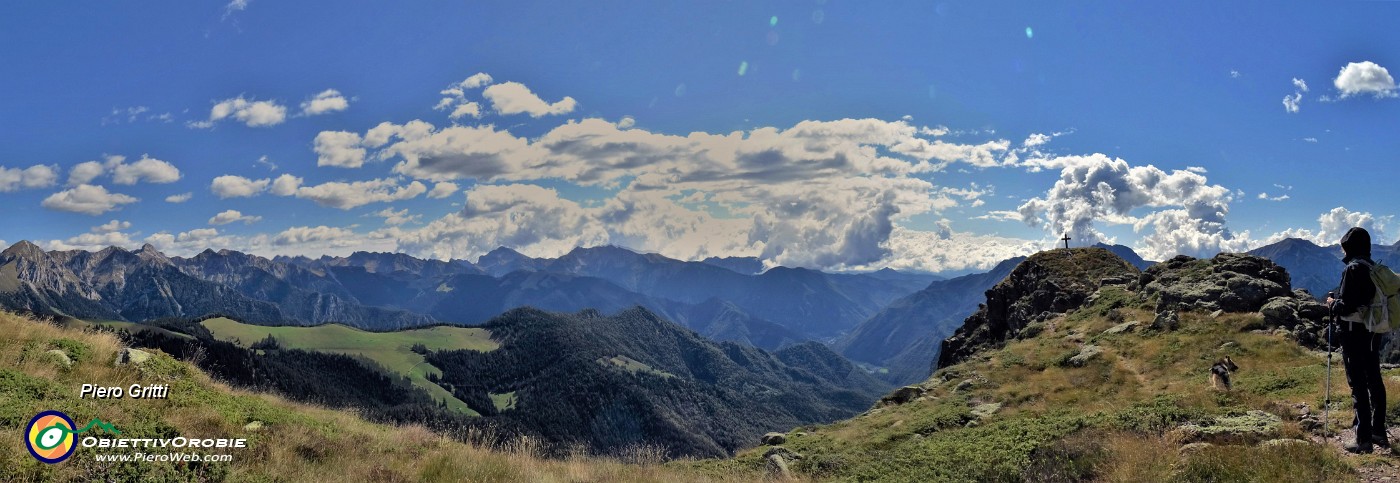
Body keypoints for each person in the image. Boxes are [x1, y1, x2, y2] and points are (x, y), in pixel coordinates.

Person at [1325, 226, 1389, 453]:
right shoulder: (1373, 267)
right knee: (1374, 379)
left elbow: (1347, 306)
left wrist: (1332, 303)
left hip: (1353, 333)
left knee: (1358, 384)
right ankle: (1378, 431)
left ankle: (1363, 440)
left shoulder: (1353, 269)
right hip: (1373, 331)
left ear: (1350, 247)